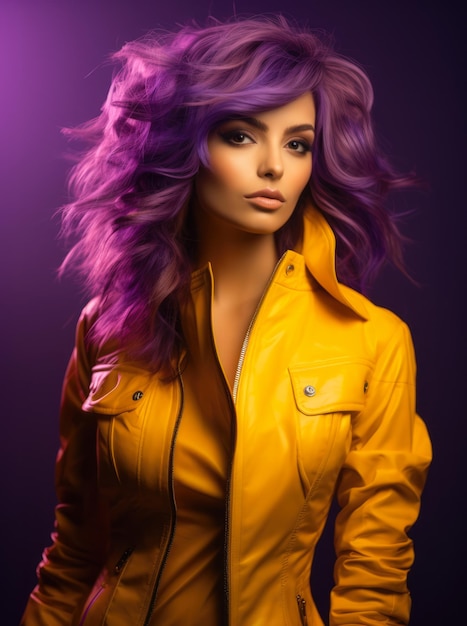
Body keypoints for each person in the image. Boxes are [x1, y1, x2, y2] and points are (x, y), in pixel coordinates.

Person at [21, 15, 432, 626]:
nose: (275, 167)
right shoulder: (108, 327)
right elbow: (75, 551)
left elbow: (375, 573)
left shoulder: (373, 341)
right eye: (242, 136)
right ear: (186, 145)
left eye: (297, 144)